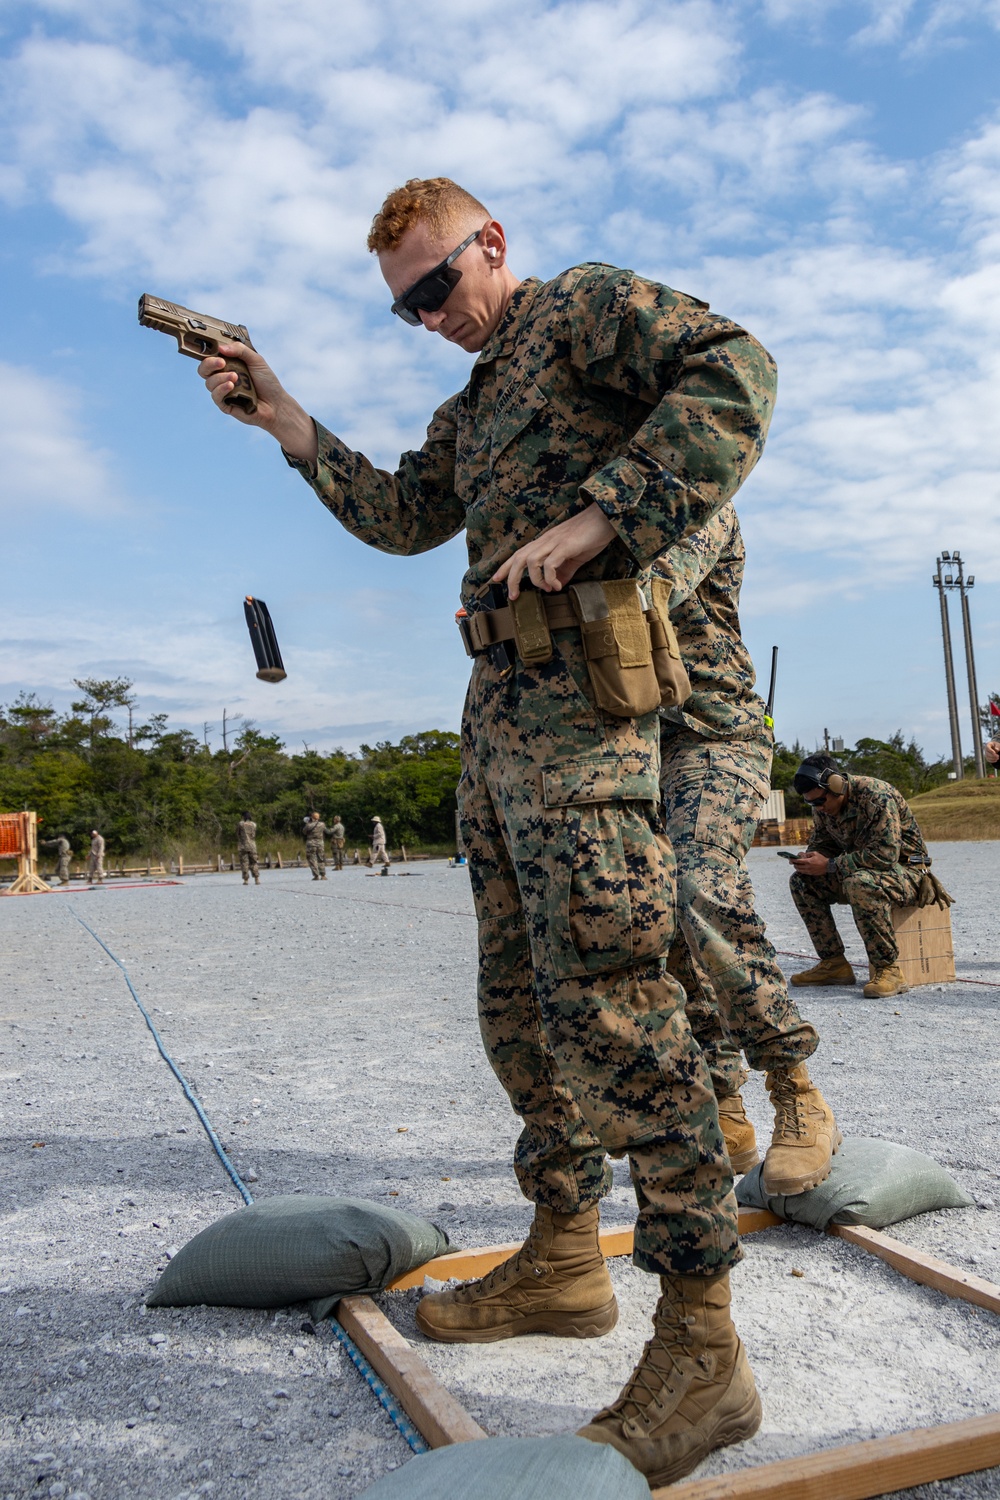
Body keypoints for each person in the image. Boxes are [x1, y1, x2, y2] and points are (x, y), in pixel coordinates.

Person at [195, 174, 777, 1487]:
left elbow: (737, 372)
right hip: (500, 724)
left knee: (623, 1007)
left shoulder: (580, 312)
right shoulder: (479, 398)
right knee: (520, 1006)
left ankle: (703, 1347)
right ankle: (567, 1259)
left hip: (588, 713)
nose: (429, 317)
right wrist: (282, 417)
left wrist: (605, 512)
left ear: (492, 245)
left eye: (438, 286)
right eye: (404, 309)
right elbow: (408, 516)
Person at [654, 507, 839, 1194]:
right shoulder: (564, 486)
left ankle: (795, 1090)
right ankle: (721, 1102)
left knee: (701, 885)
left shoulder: (691, 490)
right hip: (625, 746)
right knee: (657, 918)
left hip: (714, 731)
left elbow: (655, 578)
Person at [787, 754, 932, 999]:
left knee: (860, 883)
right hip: (862, 871)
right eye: (812, 804)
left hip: (909, 873)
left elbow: (885, 855)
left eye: (820, 801)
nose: (818, 808)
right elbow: (824, 843)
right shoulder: (823, 804)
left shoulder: (877, 796)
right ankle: (834, 965)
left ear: (836, 786)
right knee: (802, 882)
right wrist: (811, 858)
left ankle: (889, 969)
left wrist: (831, 865)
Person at [237, 812, 260, 885]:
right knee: (254, 862)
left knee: (244, 863)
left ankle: (246, 880)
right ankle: (257, 879)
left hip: (243, 846)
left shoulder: (241, 824)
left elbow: (238, 833)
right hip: (252, 846)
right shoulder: (254, 824)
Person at [303, 811, 328, 879]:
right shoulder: (322, 824)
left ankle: (316, 875)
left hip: (311, 843)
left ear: (312, 817)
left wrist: (308, 823)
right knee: (321, 858)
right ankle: (323, 875)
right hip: (320, 843)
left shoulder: (309, 825)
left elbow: (304, 832)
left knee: (312, 858)